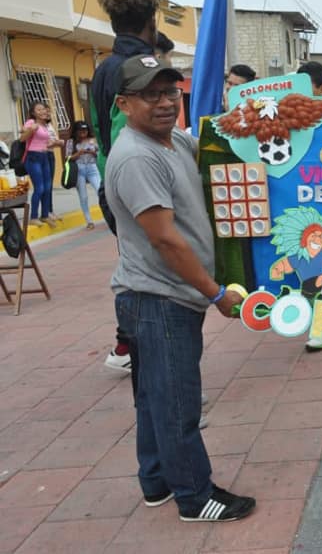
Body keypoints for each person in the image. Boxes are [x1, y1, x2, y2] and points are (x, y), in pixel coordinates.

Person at [107, 54, 255, 521]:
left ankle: (156, 482)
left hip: (158, 297)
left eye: (171, 92)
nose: (165, 102)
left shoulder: (173, 142)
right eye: (150, 94)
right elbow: (165, 239)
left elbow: (220, 138)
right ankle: (195, 496)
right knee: (176, 403)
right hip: (159, 299)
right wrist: (216, 293)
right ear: (124, 103)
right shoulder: (137, 157)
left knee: (154, 397)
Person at [91, 0, 160, 374]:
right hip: (136, 188)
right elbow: (127, 138)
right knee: (150, 274)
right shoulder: (137, 69)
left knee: (135, 267)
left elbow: (101, 133)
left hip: (112, 186)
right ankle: (133, 347)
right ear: (151, 22)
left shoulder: (103, 68)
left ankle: (126, 346)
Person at [20, 101, 61, 226]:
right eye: (38, 110)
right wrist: (31, 130)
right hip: (33, 158)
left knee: (48, 187)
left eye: (43, 109)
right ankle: (33, 217)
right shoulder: (31, 122)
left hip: (44, 157)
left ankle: (44, 215)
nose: (42, 111)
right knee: (40, 188)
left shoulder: (44, 125)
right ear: (33, 113)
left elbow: (45, 142)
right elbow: (22, 138)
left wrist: (56, 143)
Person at [65, 121, 101, 230]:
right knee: (83, 196)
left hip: (92, 167)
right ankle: (89, 221)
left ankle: (108, 214)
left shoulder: (92, 140)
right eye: (80, 130)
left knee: (100, 190)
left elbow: (99, 153)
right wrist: (78, 153)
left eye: (85, 130)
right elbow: (67, 158)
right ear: (76, 131)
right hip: (79, 169)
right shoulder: (71, 142)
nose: (83, 132)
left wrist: (92, 152)